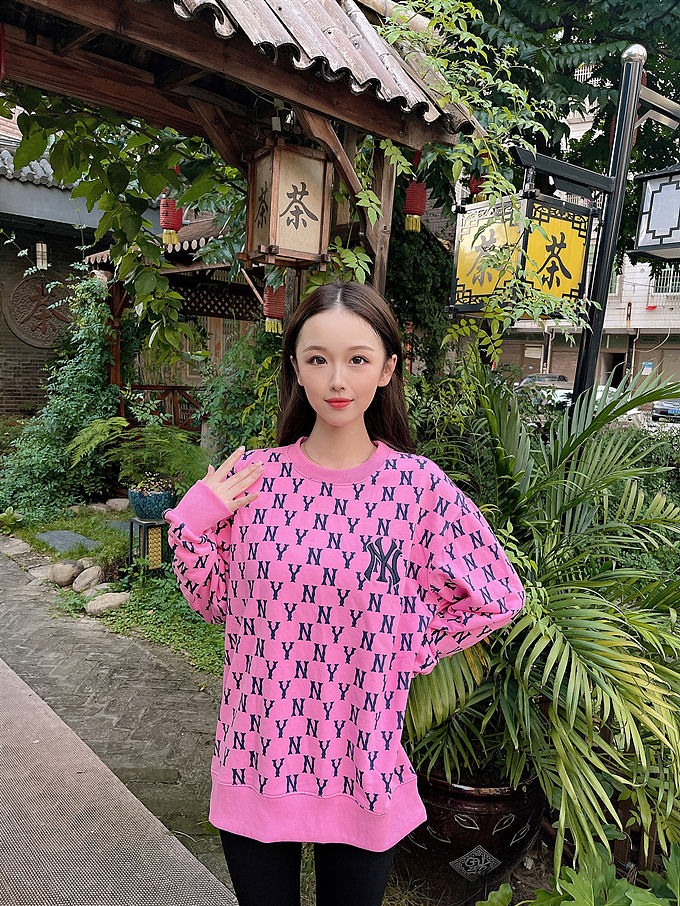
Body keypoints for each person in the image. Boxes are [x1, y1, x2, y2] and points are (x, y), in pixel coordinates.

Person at [163, 280, 526, 906]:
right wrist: (194, 520)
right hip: (257, 755)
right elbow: (216, 602)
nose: (337, 379)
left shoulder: (417, 490)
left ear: (387, 369)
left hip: (363, 763)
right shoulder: (255, 479)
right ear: (296, 369)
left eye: (357, 359)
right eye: (317, 358)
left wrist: (407, 644)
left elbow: (496, 593)